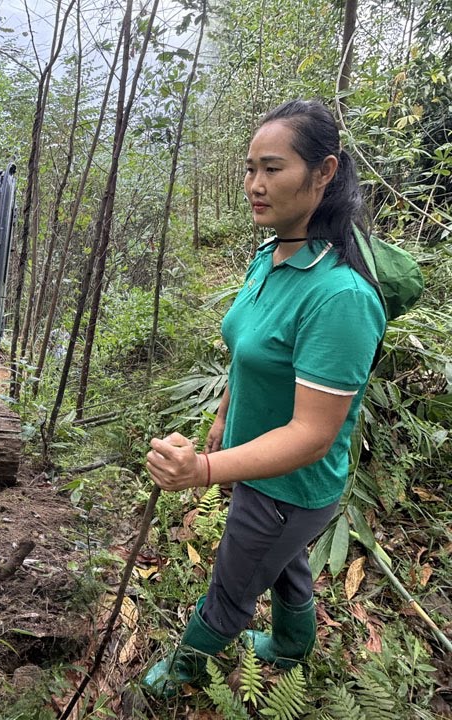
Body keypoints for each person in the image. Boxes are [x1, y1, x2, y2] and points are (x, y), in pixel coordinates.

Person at [140, 99, 386, 698]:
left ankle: (180, 674)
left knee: (234, 583)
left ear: (324, 172)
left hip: (289, 486)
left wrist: (201, 470)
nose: (254, 185)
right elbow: (248, 352)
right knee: (285, 561)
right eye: (249, 169)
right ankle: (292, 644)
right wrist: (226, 412)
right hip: (257, 466)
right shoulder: (272, 253)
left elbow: (312, 434)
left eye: (272, 169)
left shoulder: (338, 298)